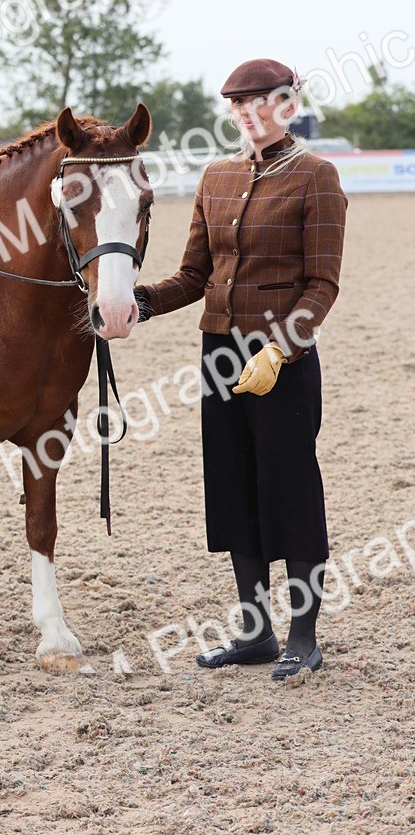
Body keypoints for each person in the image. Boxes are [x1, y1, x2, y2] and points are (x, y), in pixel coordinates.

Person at [135, 58, 347, 680]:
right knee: (234, 488)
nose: (250, 114)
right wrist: (139, 303)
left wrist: (280, 349)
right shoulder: (217, 176)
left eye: (265, 102)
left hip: (283, 358)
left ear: (288, 106)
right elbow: (195, 277)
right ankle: (255, 631)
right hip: (220, 354)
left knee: (291, 491)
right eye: (239, 105)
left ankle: (303, 635)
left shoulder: (317, 176)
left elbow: (322, 284)